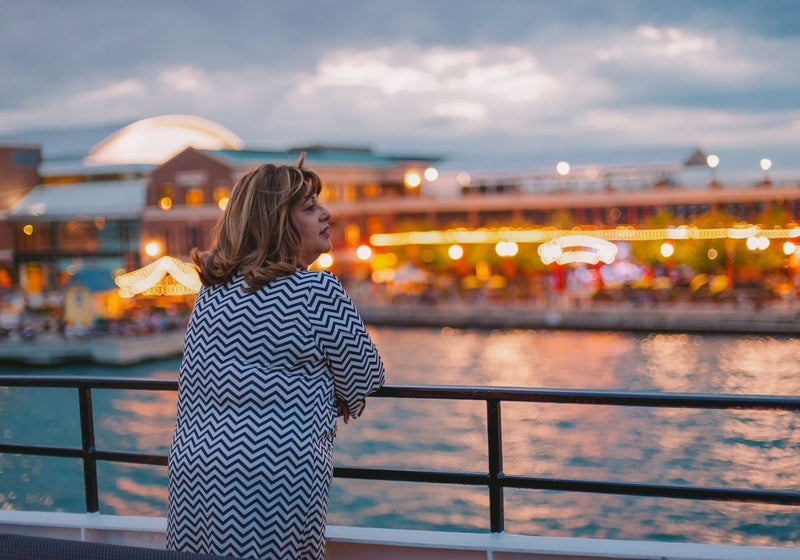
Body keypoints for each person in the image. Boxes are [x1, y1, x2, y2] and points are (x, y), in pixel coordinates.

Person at [166, 154, 385, 559]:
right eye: (310, 207)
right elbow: (368, 374)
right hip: (271, 479)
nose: (327, 213)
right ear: (277, 222)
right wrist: (337, 394)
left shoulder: (211, 294)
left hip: (194, 471)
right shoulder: (317, 291)